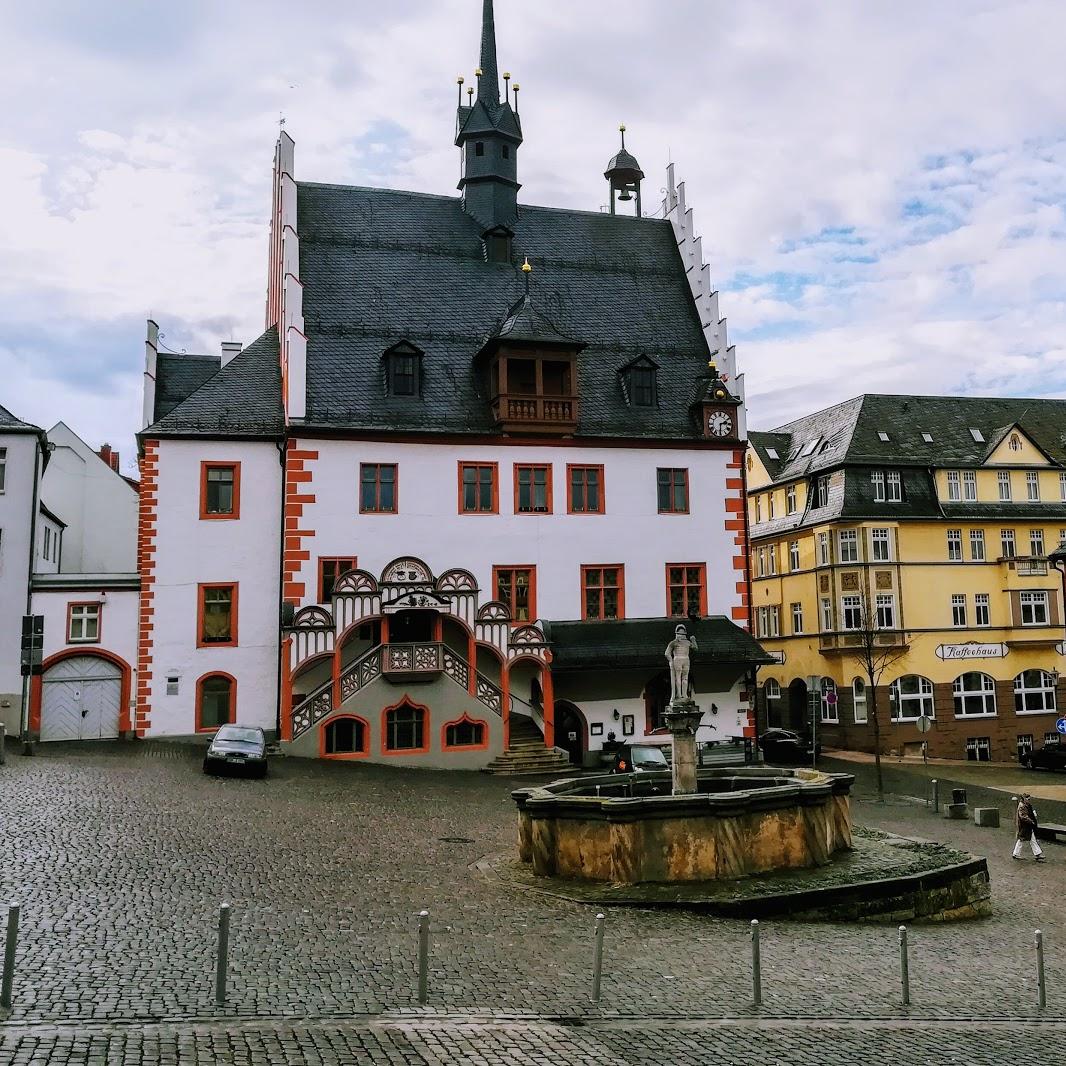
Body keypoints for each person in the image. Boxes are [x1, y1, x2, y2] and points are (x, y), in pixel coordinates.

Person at [1013, 793, 1046, 862]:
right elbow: (1023, 816)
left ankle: (1037, 854)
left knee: (1031, 839)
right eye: (1028, 799)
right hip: (1024, 826)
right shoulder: (1022, 806)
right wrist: (1031, 821)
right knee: (1021, 839)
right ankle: (1016, 854)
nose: (1029, 800)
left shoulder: (1026, 805)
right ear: (1025, 799)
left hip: (1027, 826)